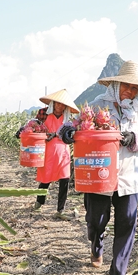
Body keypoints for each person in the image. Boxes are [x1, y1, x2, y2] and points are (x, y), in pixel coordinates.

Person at [59, 60, 138, 275]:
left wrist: (134, 139)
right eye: (127, 86)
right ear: (116, 83)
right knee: (96, 220)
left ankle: (117, 274)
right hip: (98, 175)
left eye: (134, 88)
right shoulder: (95, 105)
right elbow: (69, 126)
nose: (130, 91)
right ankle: (96, 244)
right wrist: (69, 133)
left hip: (128, 177)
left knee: (127, 223)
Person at [32, 89, 79, 221]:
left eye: (62, 105)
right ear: (53, 103)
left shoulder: (69, 119)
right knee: (45, 179)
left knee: (64, 180)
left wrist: (67, 136)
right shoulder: (44, 114)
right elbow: (35, 126)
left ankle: (60, 210)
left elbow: (73, 135)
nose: (60, 107)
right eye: (57, 104)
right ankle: (39, 203)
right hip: (48, 151)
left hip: (63, 153)